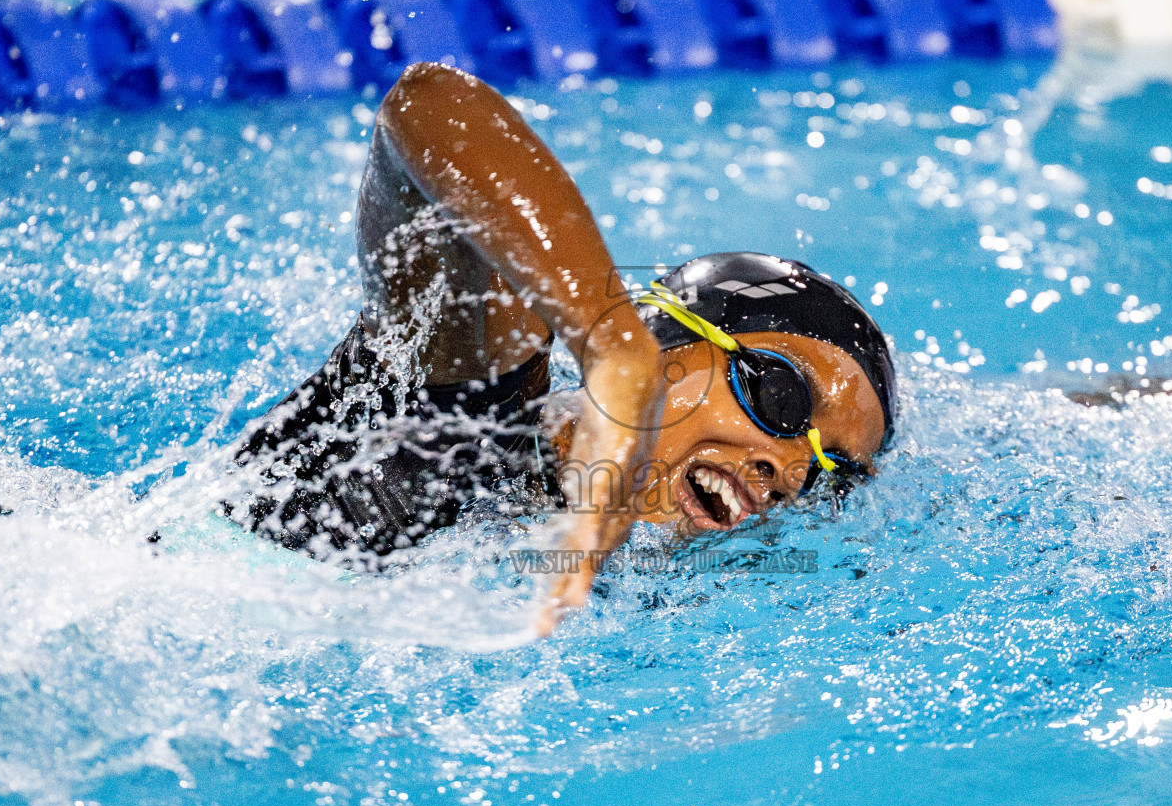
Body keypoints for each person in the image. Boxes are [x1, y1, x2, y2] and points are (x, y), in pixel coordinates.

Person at [227, 62, 896, 634]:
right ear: (666, 341)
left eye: (829, 472)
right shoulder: (465, 406)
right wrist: (614, 350)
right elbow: (429, 103)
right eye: (780, 396)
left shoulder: (650, 597)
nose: (789, 471)